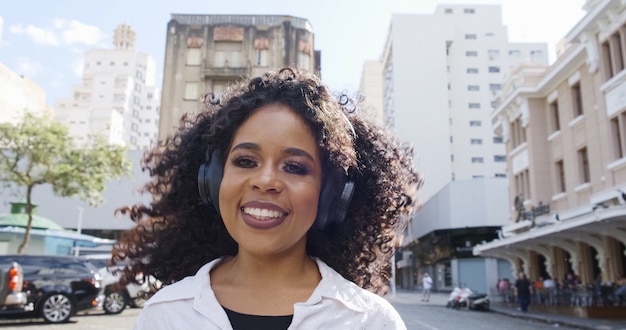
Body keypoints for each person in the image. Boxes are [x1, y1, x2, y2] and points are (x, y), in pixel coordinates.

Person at [111, 67, 423, 329]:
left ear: (332, 196)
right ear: (213, 181)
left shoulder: (370, 321)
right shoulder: (164, 315)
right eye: (245, 161)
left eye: (295, 167)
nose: (265, 181)